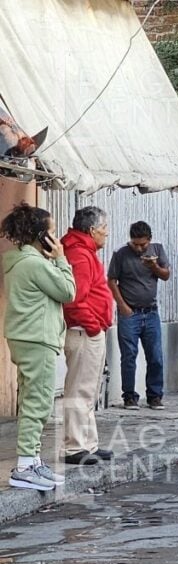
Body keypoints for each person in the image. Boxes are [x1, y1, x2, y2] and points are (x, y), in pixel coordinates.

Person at [2, 203, 76, 490]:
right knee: (39, 402)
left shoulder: (20, 260)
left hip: (25, 337)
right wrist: (61, 259)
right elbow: (68, 291)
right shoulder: (34, 264)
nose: (56, 240)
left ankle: (31, 460)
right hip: (37, 338)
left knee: (30, 400)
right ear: (40, 235)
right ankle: (23, 466)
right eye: (52, 233)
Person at [60, 207, 114, 466]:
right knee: (80, 389)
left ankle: (88, 443)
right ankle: (75, 447)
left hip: (89, 330)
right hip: (84, 331)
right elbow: (74, 299)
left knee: (88, 390)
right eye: (104, 229)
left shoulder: (83, 252)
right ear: (92, 230)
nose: (107, 233)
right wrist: (94, 325)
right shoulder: (80, 255)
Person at [108, 221, 170, 410]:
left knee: (156, 356)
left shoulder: (157, 250)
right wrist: (122, 305)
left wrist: (153, 266)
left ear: (149, 240)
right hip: (129, 312)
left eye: (142, 244)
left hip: (151, 312)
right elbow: (111, 280)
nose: (138, 248)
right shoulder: (121, 253)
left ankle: (155, 396)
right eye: (135, 243)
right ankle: (129, 396)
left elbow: (166, 275)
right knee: (129, 356)